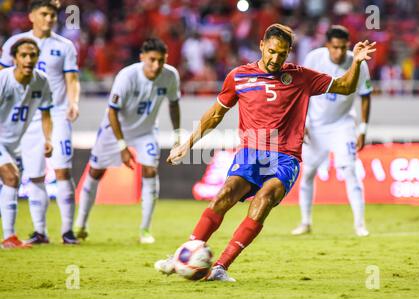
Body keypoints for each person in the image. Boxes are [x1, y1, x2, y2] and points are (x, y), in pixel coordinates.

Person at [155, 23, 376, 281]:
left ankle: (220, 267)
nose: (275, 59)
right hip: (252, 152)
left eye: (282, 54)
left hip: (286, 157)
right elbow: (215, 114)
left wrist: (357, 63)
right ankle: (183, 254)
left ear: (289, 52)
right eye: (271, 51)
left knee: (264, 200)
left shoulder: (301, 76)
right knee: (223, 196)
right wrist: (187, 144)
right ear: (261, 45)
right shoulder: (239, 76)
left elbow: (346, 86)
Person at [74, 38, 181, 244]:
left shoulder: (170, 76)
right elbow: (112, 112)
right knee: (96, 171)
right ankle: (81, 223)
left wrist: (177, 135)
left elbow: (174, 104)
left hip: (146, 131)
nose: (156, 65)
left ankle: (145, 230)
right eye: (152, 60)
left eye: (161, 61)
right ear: (142, 58)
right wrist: (122, 147)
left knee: (150, 170)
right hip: (114, 130)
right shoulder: (127, 76)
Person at [0, 0, 81, 244]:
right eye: (44, 14)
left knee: (62, 170)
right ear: (32, 15)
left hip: (55, 113)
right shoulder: (14, 45)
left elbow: (73, 79)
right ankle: (39, 232)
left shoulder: (65, 46)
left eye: (53, 15)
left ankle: (67, 231)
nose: (49, 19)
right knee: (34, 176)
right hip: (24, 118)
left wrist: (73, 103)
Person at [291, 25, 372, 237]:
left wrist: (362, 128)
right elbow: (301, 92)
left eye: (342, 48)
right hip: (315, 126)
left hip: (342, 124)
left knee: (350, 171)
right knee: (307, 173)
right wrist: (303, 121)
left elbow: (366, 95)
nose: (338, 52)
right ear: (327, 45)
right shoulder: (313, 59)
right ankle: (305, 222)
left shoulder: (357, 61)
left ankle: (359, 224)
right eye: (335, 47)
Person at [0, 38, 53, 248]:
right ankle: (9, 237)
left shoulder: (42, 81)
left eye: (32, 55)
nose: (28, 59)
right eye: (23, 55)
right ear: (14, 59)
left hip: (14, 144)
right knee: (12, 177)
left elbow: (46, 113)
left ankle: (9, 236)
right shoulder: (3, 80)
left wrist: (48, 139)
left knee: (10, 182)